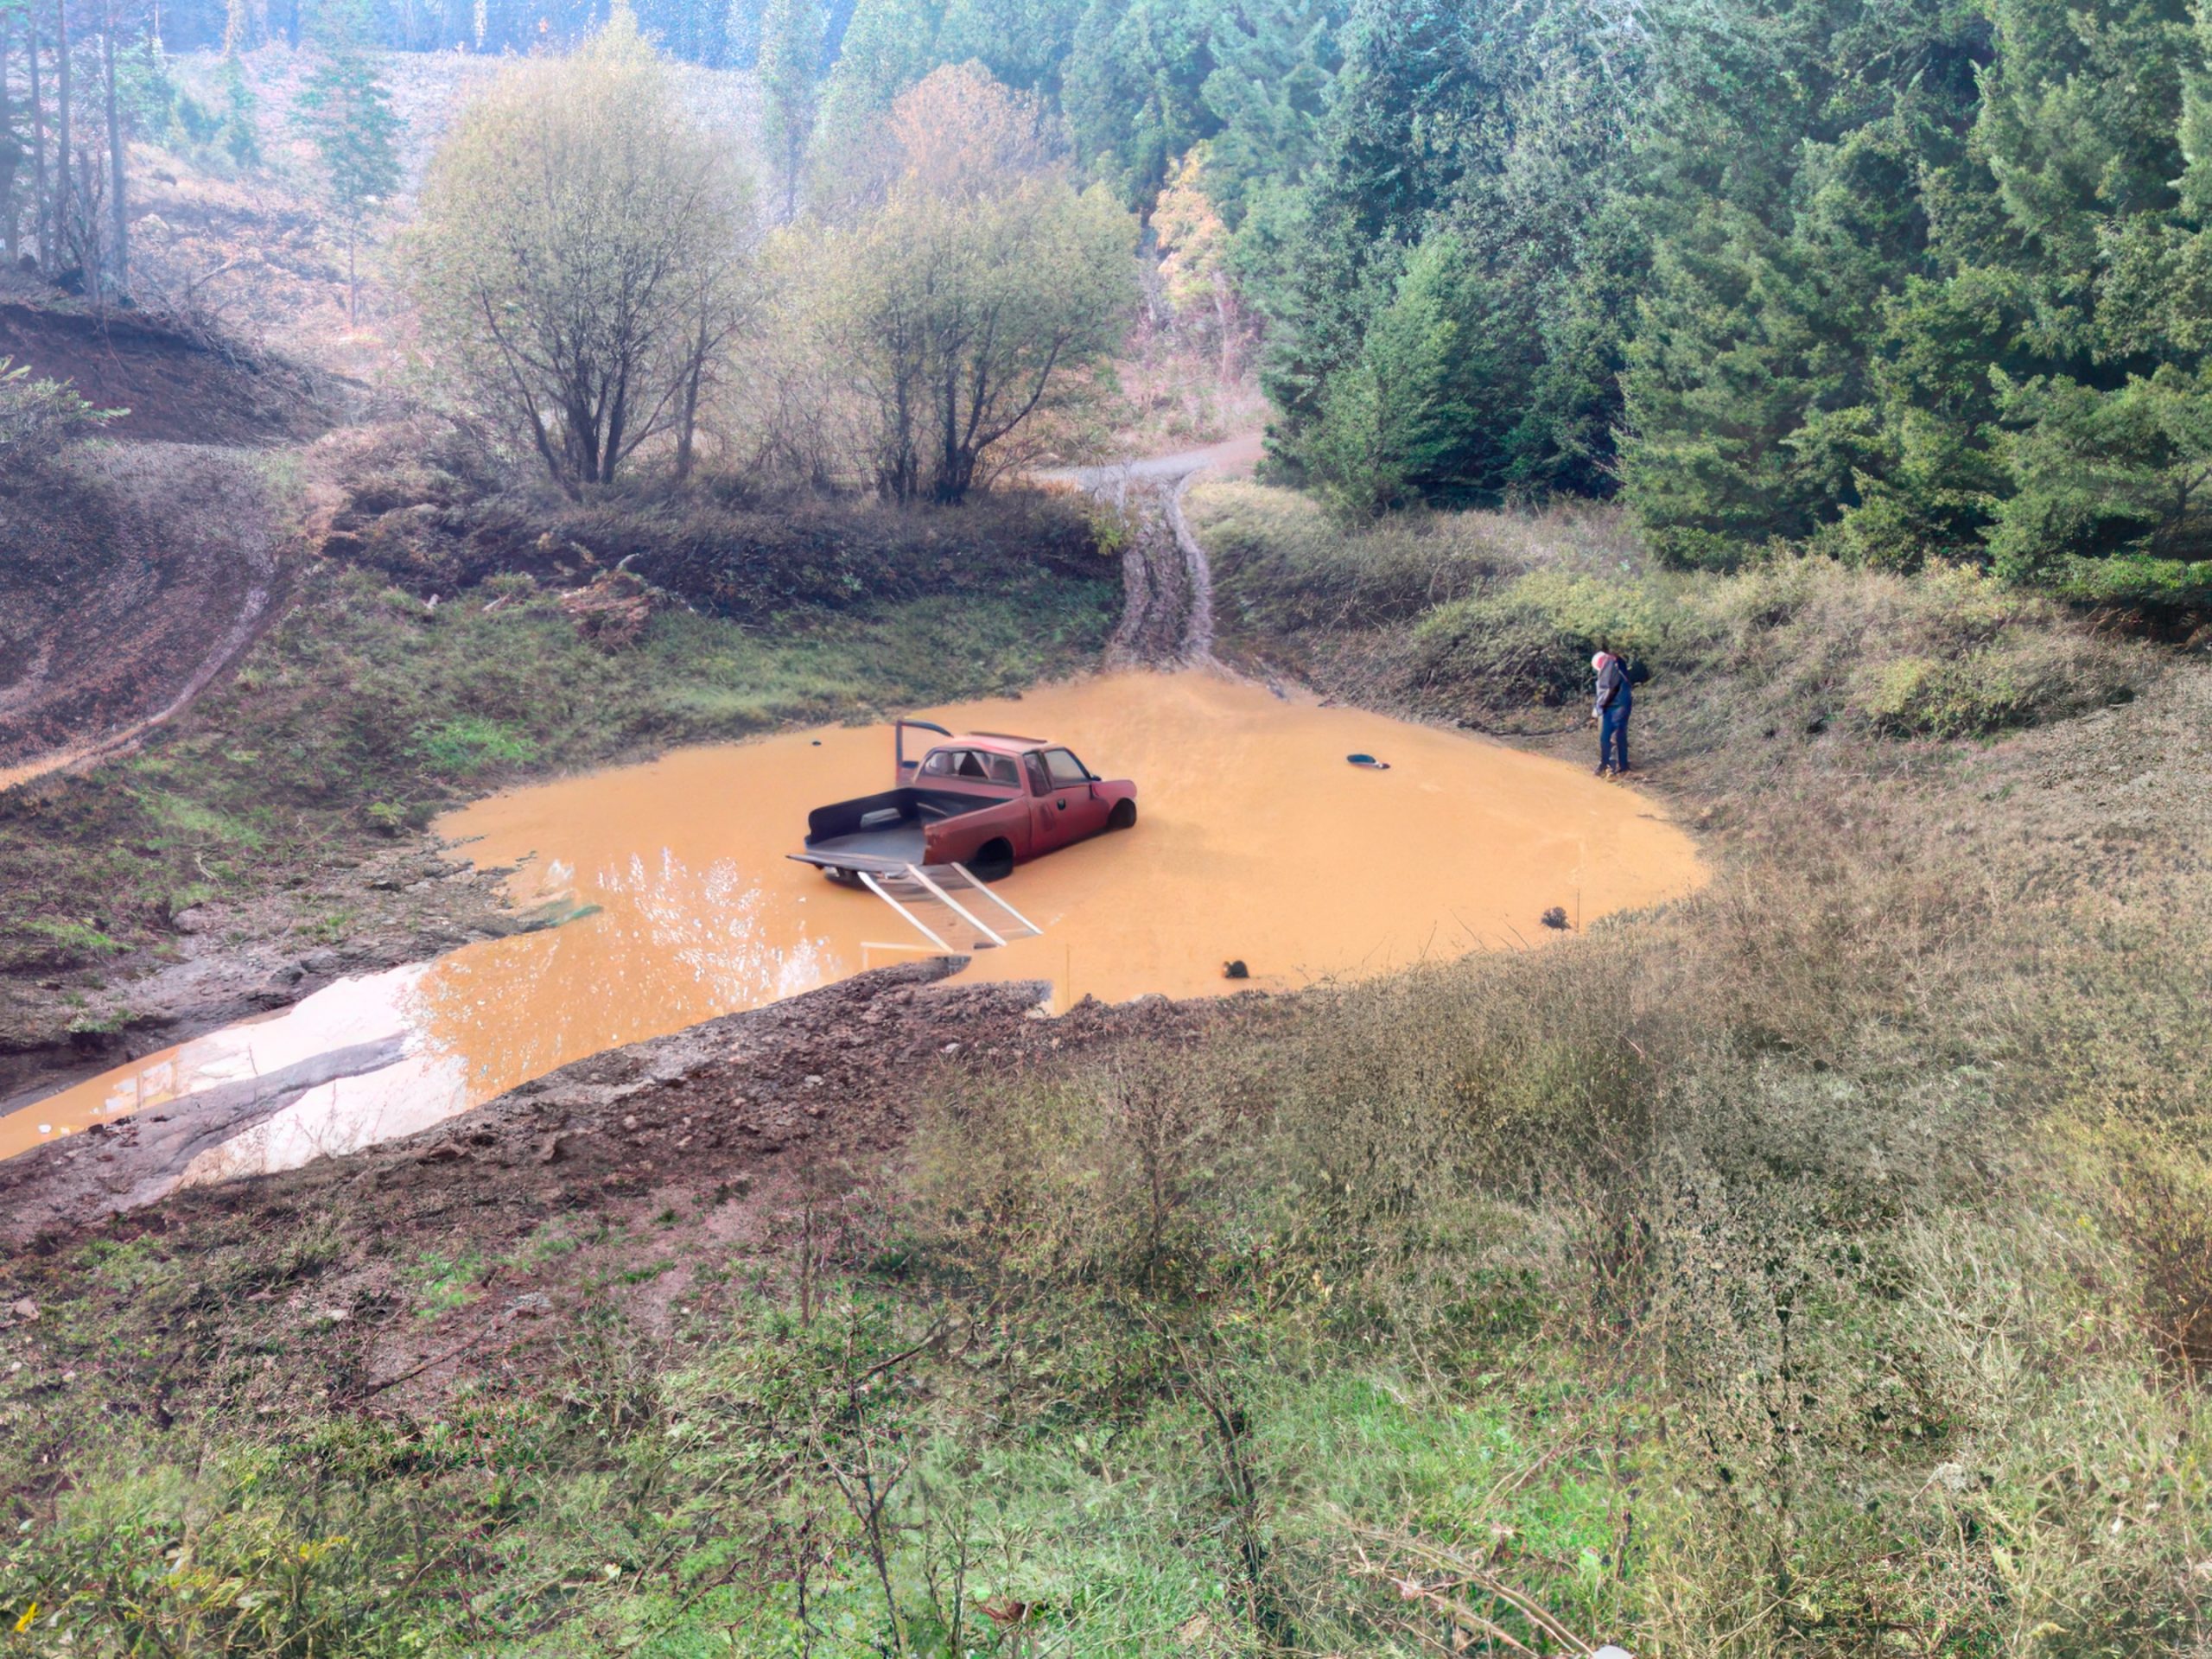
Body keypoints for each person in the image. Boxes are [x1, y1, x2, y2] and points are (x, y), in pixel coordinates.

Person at [1592, 647, 1630, 777]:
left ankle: (1609, 766)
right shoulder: (1618, 663)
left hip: (1616, 704)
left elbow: (1605, 689)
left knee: (1609, 736)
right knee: (1619, 735)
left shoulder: (1607, 663)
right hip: (1623, 702)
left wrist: (1599, 709)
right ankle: (1622, 766)